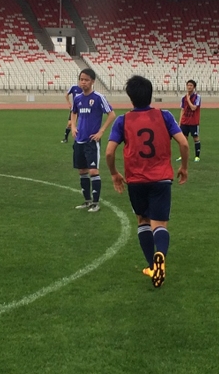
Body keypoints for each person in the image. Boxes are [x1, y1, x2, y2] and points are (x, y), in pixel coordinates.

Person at [105, 75, 189, 288]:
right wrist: (184, 167)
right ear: (151, 94)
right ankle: (161, 254)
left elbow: (109, 152)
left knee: (143, 221)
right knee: (159, 224)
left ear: (130, 98)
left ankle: (153, 265)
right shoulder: (165, 116)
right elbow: (184, 144)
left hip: (136, 180)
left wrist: (115, 173)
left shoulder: (122, 121)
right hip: (161, 178)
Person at [71, 68, 116, 212]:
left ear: (92, 82)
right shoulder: (77, 98)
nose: (83, 82)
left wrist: (101, 131)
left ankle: (95, 203)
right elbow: (73, 113)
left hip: (92, 141)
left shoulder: (98, 97)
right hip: (79, 140)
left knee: (93, 171)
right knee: (82, 171)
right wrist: (73, 127)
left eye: (86, 80)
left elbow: (111, 114)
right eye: (81, 79)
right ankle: (87, 201)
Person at [176, 79, 201, 162]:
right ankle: (183, 156)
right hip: (185, 122)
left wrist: (188, 99)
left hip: (193, 121)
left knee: (195, 138)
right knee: (183, 140)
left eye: (191, 85)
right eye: (188, 85)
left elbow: (194, 108)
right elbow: (182, 110)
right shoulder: (183, 98)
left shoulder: (197, 97)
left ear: (194, 87)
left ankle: (197, 156)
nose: (189, 87)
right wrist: (180, 123)